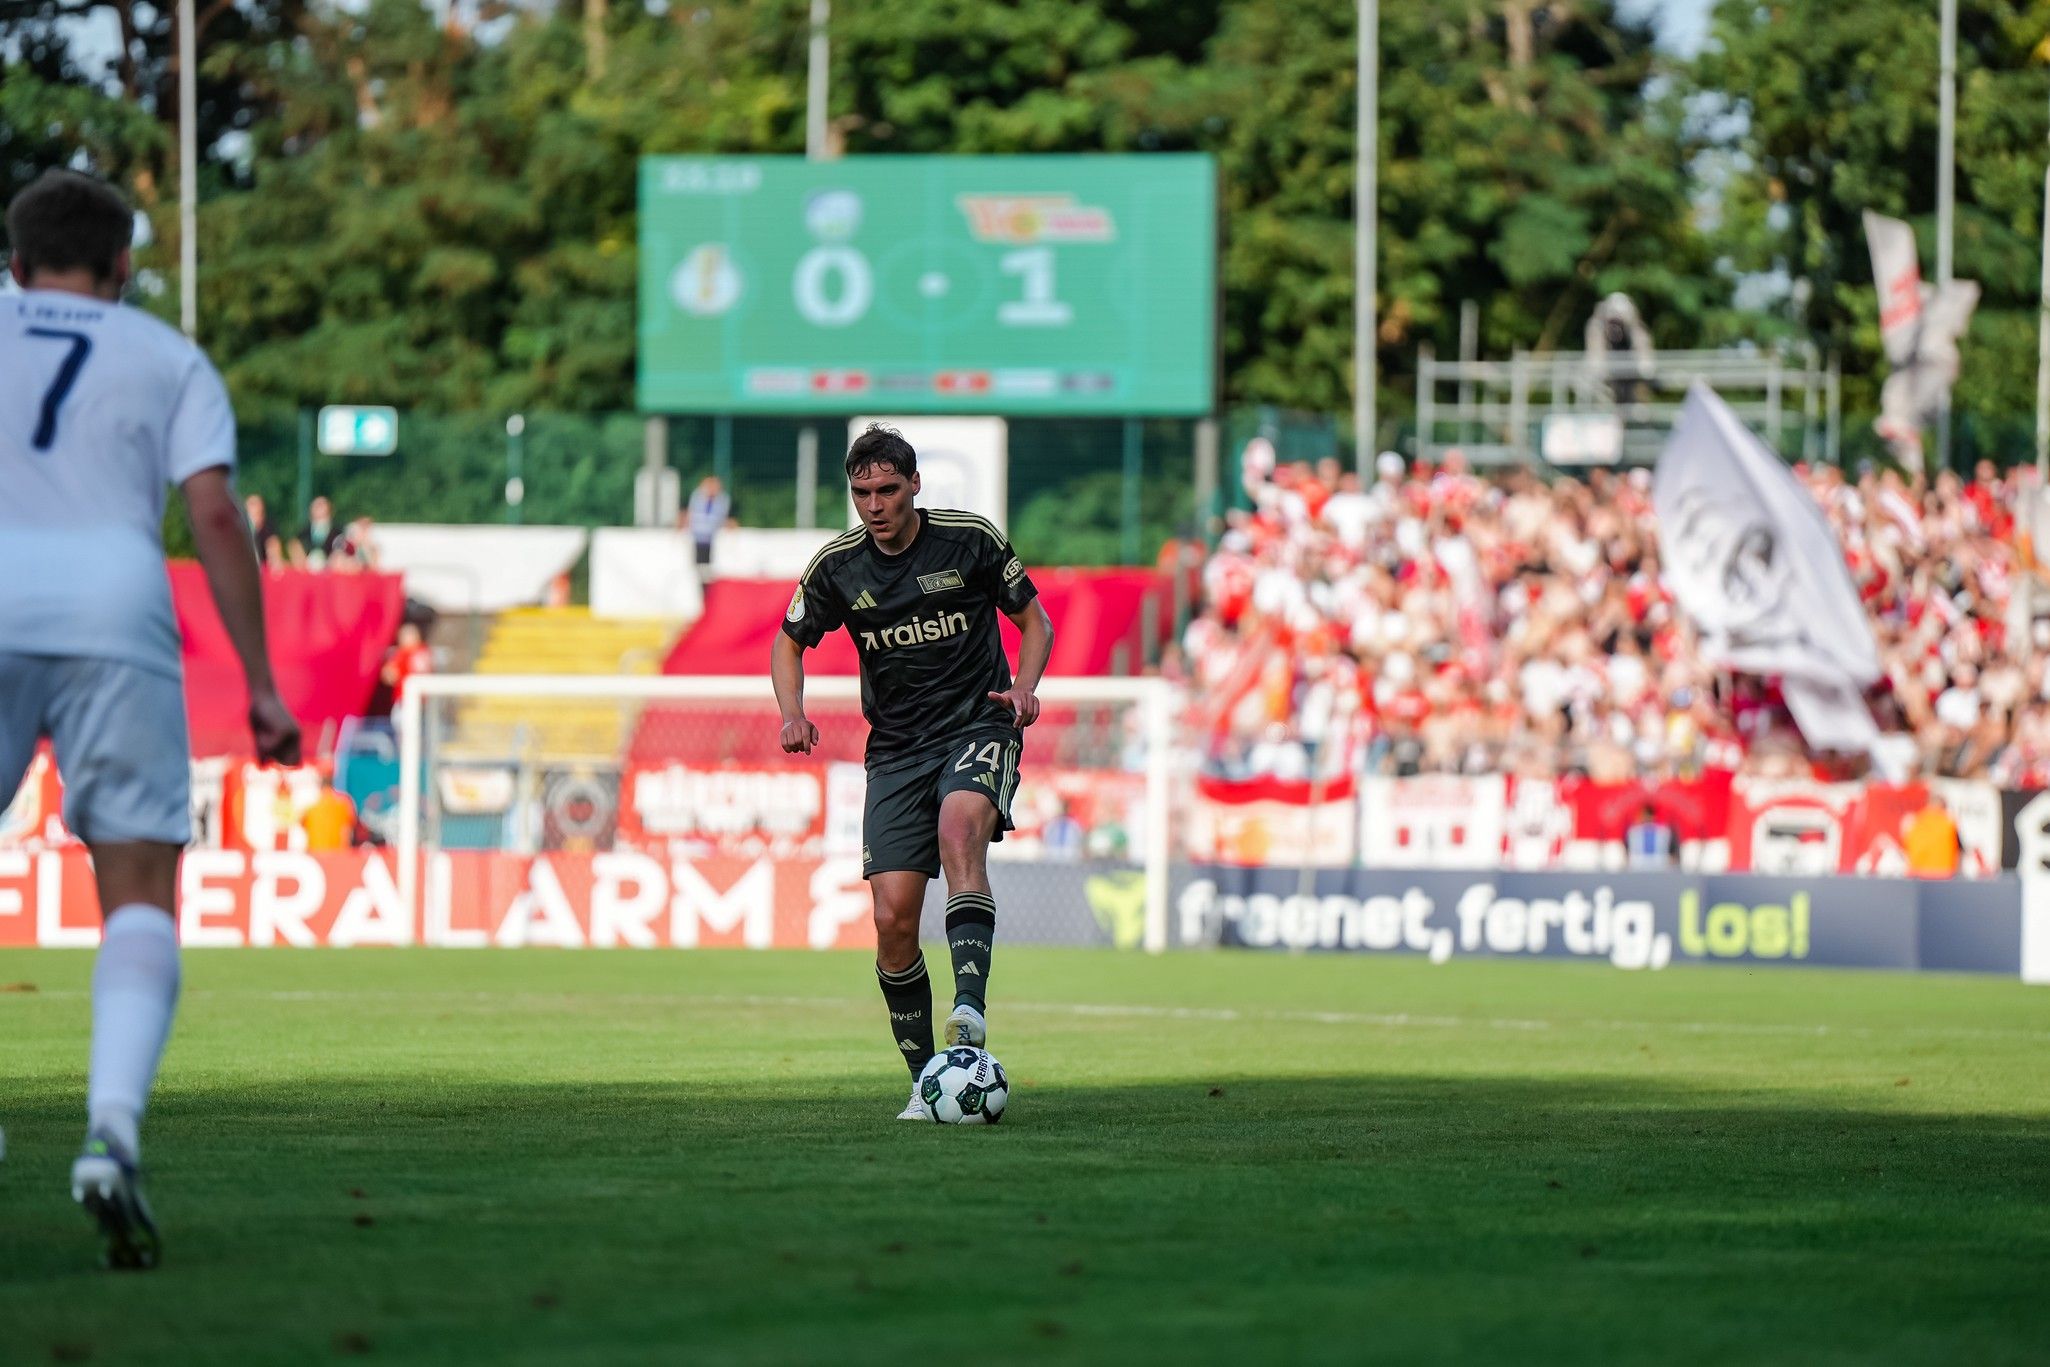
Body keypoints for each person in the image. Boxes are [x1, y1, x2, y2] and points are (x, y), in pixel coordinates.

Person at [1, 169, 301, 1268]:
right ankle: (111, 1135)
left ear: (16, 261)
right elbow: (213, 512)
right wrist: (262, 683)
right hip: (115, 607)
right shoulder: (168, 355)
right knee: (136, 887)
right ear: (124, 266)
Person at [770, 425, 1054, 1120]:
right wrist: (791, 712)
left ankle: (968, 1008)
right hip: (895, 749)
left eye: (888, 489)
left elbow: (1036, 622)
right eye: (862, 491)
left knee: (961, 830)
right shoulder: (837, 566)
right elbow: (788, 641)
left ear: (915, 484)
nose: (874, 504)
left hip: (979, 722)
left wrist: (1024, 686)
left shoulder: (969, 540)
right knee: (892, 919)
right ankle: (929, 1079)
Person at [1903, 793, 1963, 878]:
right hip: (1943, 876)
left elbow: (1905, 849)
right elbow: (1959, 852)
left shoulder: (1913, 822)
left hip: (1916, 876)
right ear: (1943, 806)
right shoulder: (1950, 823)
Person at [301, 767, 358, 852]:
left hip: (316, 852)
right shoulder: (344, 805)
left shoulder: (310, 809)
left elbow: (302, 823)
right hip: (338, 853)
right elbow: (351, 824)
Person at [686, 475, 731, 578]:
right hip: (698, 538)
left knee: (709, 568)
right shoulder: (697, 497)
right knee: (698, 566)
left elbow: (721, 518)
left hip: (712, 538)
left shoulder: (722, 500)